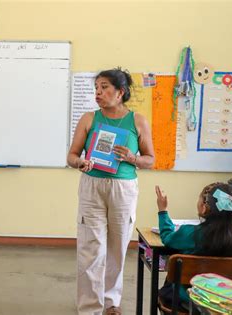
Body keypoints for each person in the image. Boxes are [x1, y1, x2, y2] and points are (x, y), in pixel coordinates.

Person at [67, 68, 155, 315]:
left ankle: (110, 303)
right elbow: (72, 155)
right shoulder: (88, 119)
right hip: (92, 186)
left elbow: (150, 159)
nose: (98, 92)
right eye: (96, 87)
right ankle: (89, 307)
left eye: (104, 87)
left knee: (117, 247)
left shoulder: (137, 121)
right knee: (91, 248)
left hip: (123, 188)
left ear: (121, 92)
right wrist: (79, 163)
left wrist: (132, 157)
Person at [155, 182, 232, 310]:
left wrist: (163, 211)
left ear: (204, 208)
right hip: (230, 301)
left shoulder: (190, 233)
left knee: (169, 286)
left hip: (190, 298)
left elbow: (167, 237)